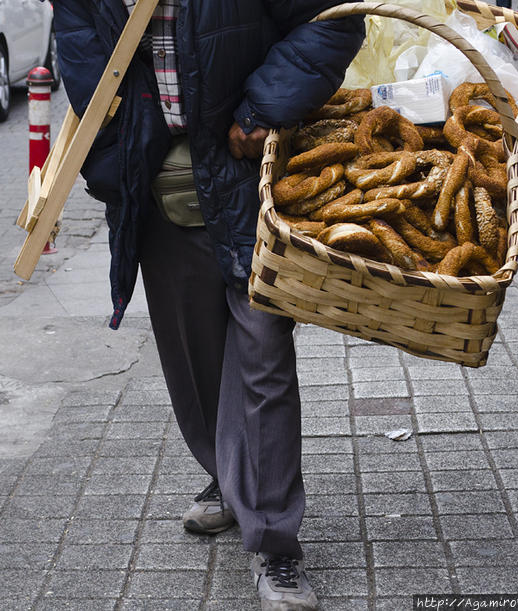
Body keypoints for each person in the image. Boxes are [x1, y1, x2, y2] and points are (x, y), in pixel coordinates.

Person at [52, 1, 364, 608]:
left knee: (262, 351)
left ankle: (275, 543)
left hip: (247, 169)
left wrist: (259, 112)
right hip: (160, 184)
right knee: (192, 352)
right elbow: (84, 58)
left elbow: (333, 18)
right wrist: (115, 164)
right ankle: (229, 476)